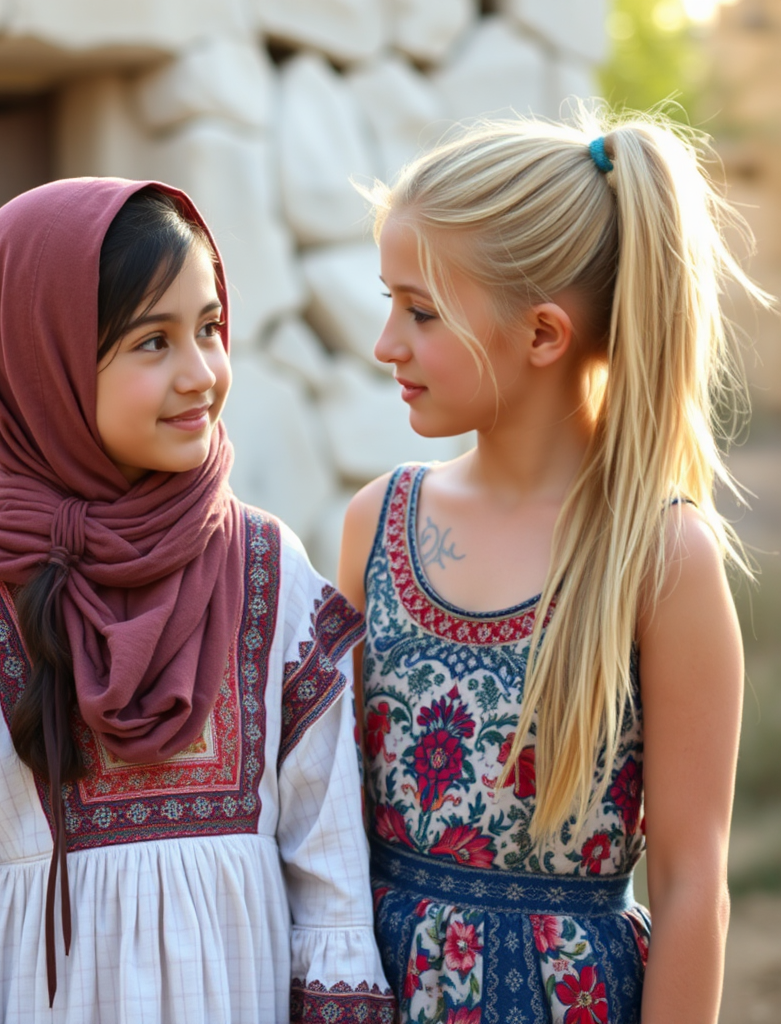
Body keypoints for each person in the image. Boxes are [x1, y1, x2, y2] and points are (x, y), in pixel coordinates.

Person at [0, 178, 396, 1024]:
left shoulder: (270, 574)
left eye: (209, 328)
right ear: (40, 360)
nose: (201, 373)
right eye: (151, 343)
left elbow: (333, 883)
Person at [337, 112, 766, 1024]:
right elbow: (331, 824)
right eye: (389, 302)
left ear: (541, 335)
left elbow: (693, 883)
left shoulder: (660, 557)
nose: (386, 344)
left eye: (419, 311)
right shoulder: (376, 524)